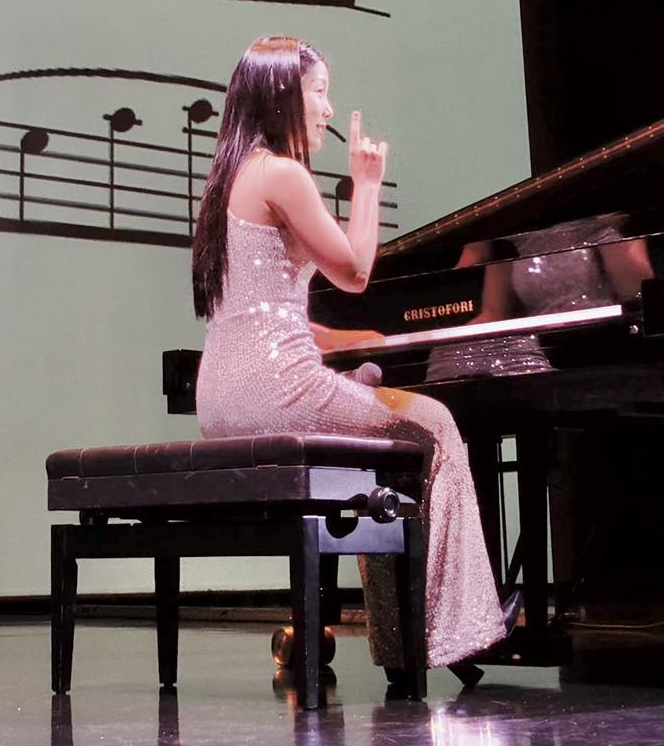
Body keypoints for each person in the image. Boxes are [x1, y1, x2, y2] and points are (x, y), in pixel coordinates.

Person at [190, 36, 516, 685]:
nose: (328, 107)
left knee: (377, 430)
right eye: (319, 91)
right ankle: (457, 630)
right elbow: (357, 270)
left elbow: (263, 310)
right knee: (436, 427)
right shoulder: (283, 173)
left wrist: (347, 344)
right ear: (285, 95)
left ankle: (403, 638)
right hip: (272, 387)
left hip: (222, 393)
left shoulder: (232, 177)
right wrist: (367, 184)